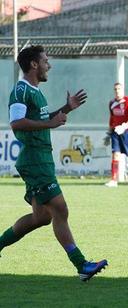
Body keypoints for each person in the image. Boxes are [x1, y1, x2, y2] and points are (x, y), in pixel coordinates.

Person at [0, 45, 108, 281]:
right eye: (46, 60)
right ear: (34, 65)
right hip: (35, 159)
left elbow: (41, 119)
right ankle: (81, 264)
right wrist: (52, 124)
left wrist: (67, 108)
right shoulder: (21, 91)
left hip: (41, 158)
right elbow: (17, 123)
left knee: (42, 217)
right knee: (60, 208)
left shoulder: (35, 91)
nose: (50, 65)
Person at [105, 82, 128, 187]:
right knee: (115, 154)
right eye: (115, 89)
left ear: (123, 90)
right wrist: (109, 132)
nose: (117, 91)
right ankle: (114, 180)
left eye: (119, 89)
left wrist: (125, 126)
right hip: (116, 132)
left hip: (127, 132)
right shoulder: (112, 103)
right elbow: (112, 118)